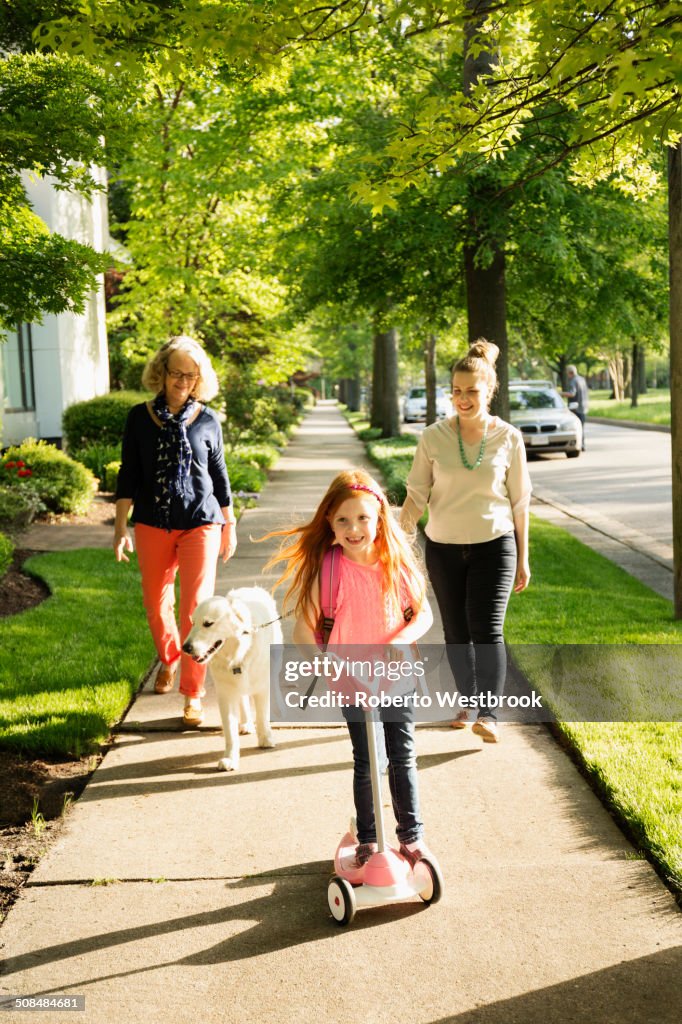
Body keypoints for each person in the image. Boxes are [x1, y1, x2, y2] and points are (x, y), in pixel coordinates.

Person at [266, 468, 435, 869]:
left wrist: (399, 639)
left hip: (398, 678)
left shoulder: (397, 563)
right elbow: (303, 632)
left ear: (379, 517)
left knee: (402, 756)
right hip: (352, 681)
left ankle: (411, 837)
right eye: (343, 519)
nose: (354, 528)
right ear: (329, 522)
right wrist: (325, 662)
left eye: (362, 518)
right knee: (369, 759)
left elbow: (423, 613)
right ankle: (368, 838)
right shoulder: (329, 571)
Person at [400, 340, 531, 744]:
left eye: (471, 391)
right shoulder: (433, 438)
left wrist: (524, 558)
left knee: (487, 628)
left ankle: (489, 712)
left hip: (495, 544)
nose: (462, 399)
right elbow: (416, 497)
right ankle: (468, 701)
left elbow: (520, 502)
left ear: (488, 390)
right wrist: (395, 545)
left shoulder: (508, 438)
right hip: (443, 546)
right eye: (456, 391)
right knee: (455, 630)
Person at [113, 335, 237, 727]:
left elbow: (219, 477)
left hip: (201, 522)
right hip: (152, 521)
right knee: (155, 602)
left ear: (199, 378)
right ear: (161, 373)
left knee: (195, 608)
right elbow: (128, 473)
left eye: (191, 374)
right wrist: (120, 527)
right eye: (177, 373)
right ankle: (168, 660)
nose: (183, 380)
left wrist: (229, 525)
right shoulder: (139, 417)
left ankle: (193, 692)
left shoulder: (207, 419)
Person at [562, 365, 589, 450]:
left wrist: (560, 394)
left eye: (567, 374)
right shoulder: (582, 379)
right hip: (584, 406)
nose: (567, 375)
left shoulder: (573, 381)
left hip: (576, 408)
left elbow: (572, 393)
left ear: (570, 373)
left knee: (576, 428)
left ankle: (579, 445)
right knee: (581, 427)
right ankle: (583, 445)